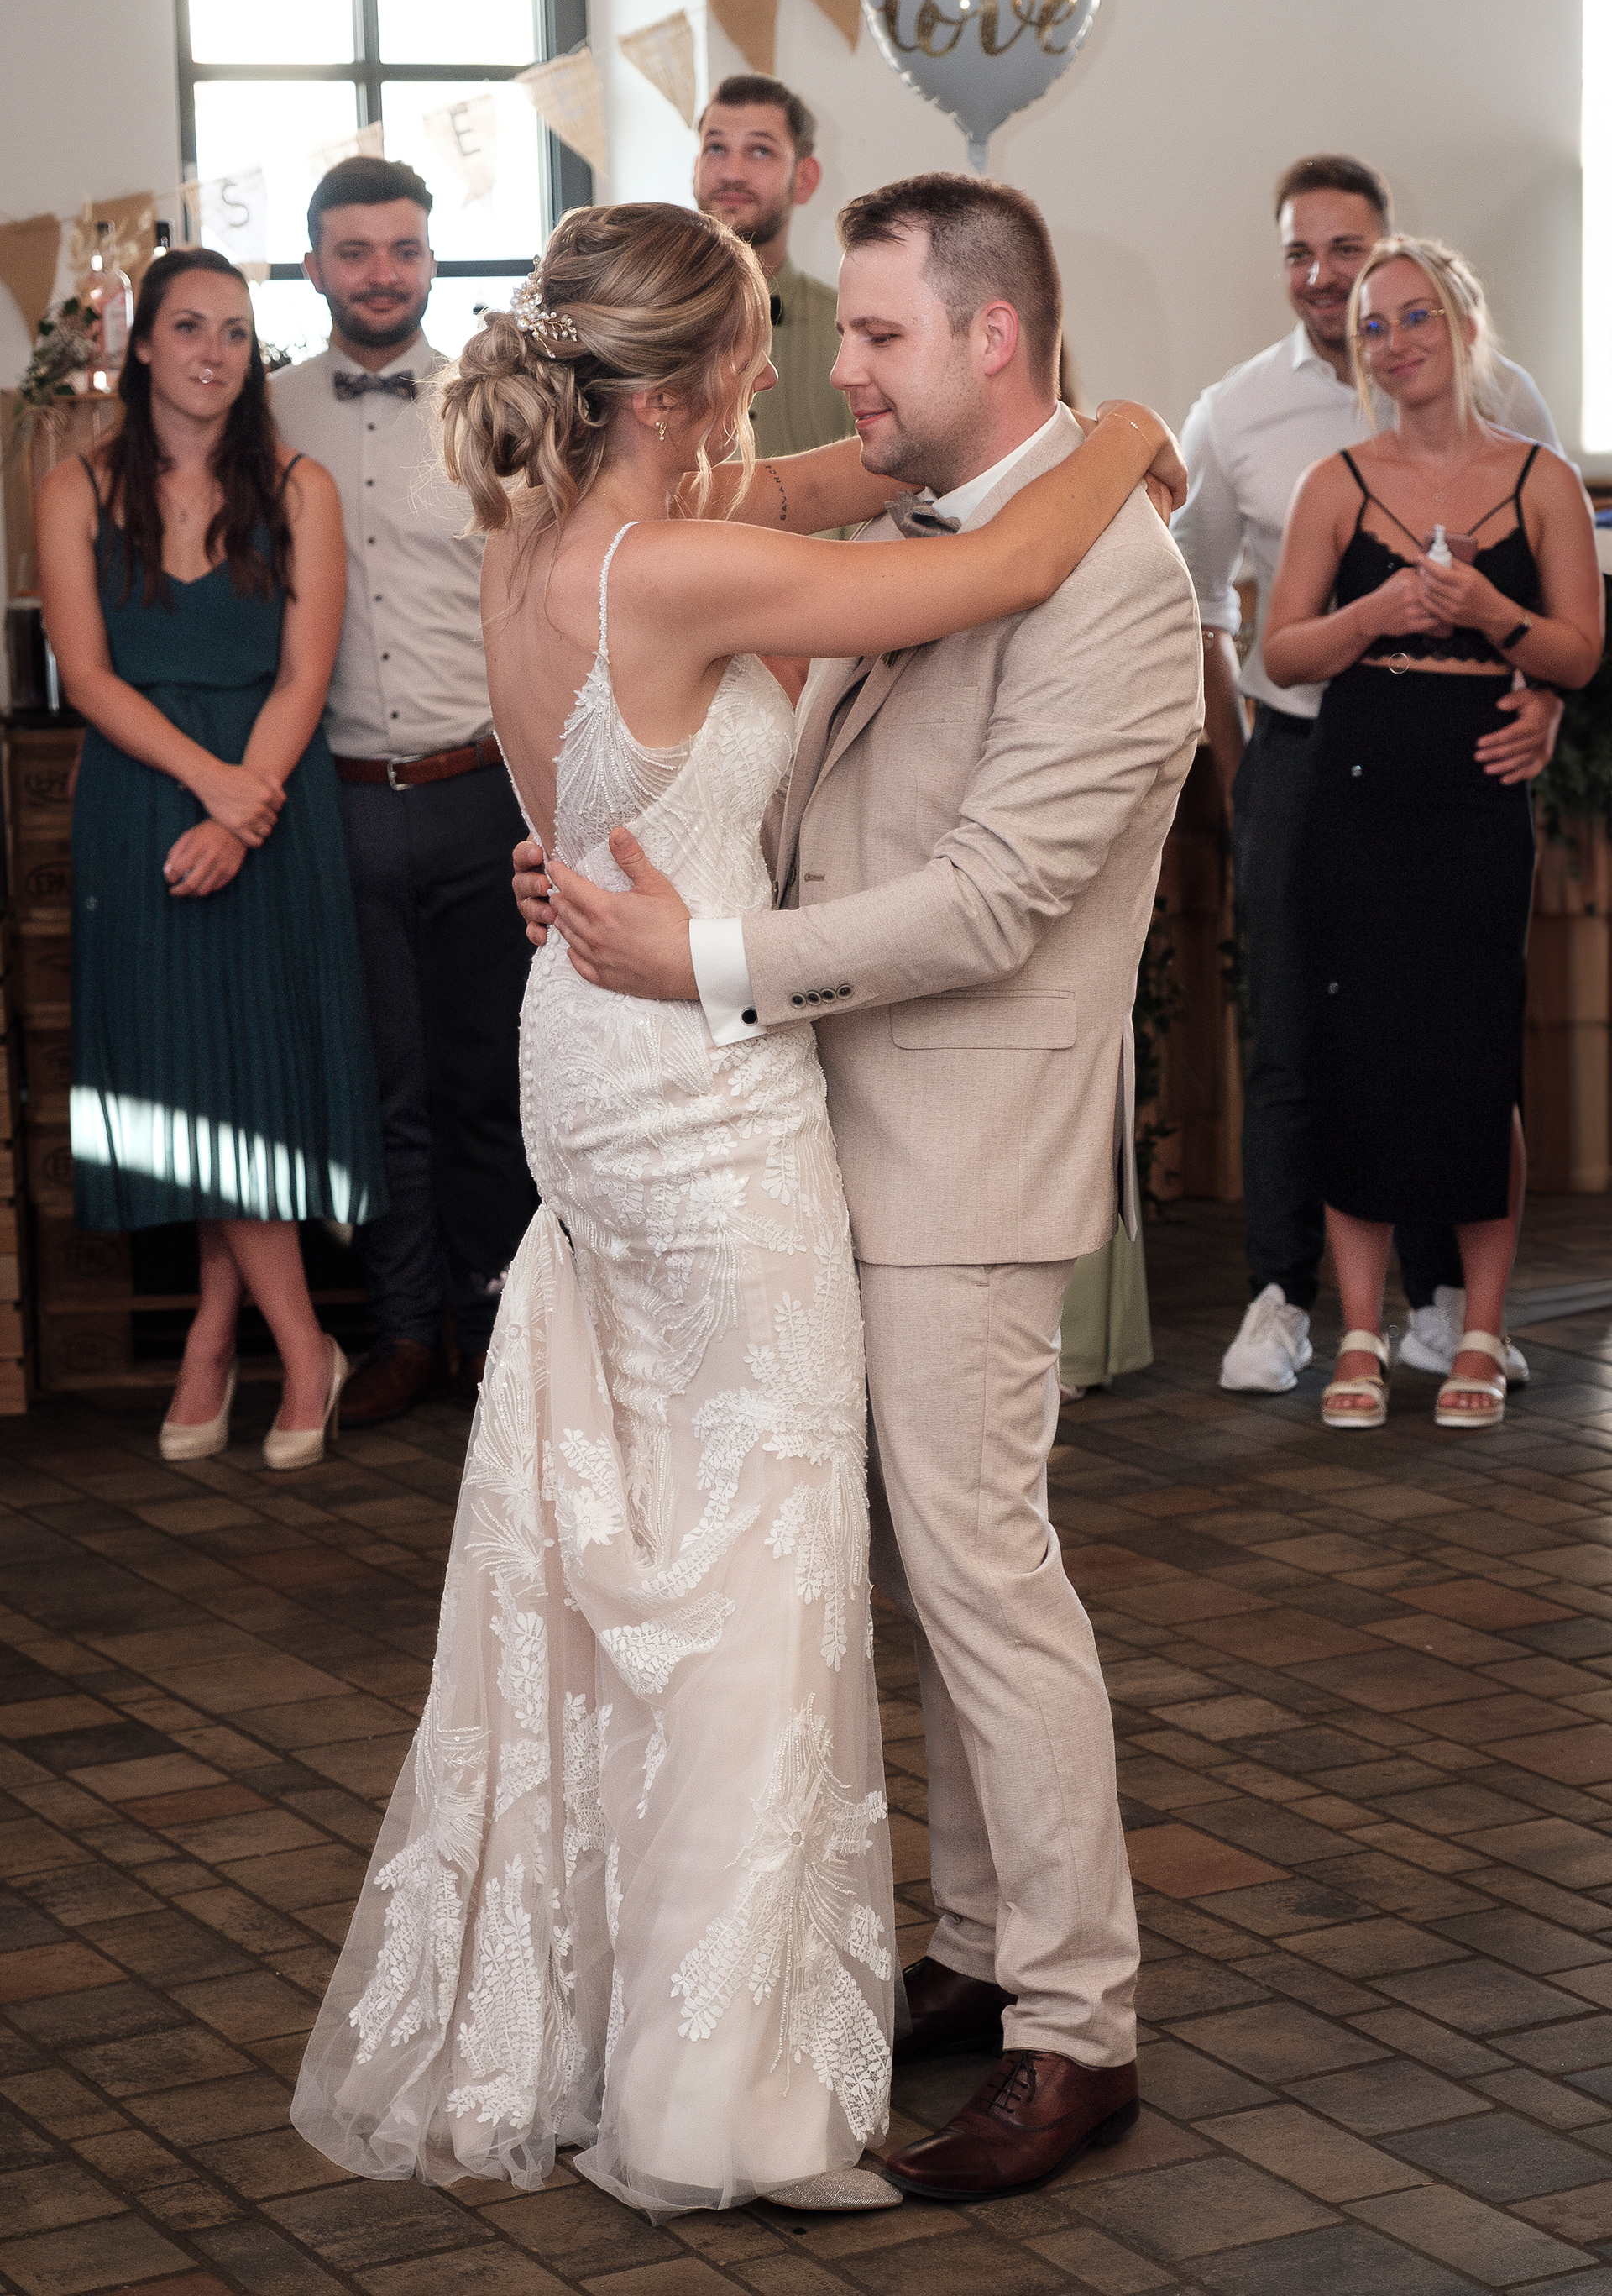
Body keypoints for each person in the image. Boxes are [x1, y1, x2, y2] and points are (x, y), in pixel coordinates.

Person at [290, 197, 1181, 2216]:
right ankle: (883, 1990)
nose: (823, 377)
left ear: (990, 336)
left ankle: (1066, 2015)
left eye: (871, 335)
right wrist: (1133, 427)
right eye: (793, 340)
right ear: (682, 385)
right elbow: (979, 551)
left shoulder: (572, 532)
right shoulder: (691, 551)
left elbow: (992, 889)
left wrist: (641, 892)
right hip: (710, 1090)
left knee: (914, 1570)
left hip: (749, 1082)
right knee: (766, 1574)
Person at [1173, 155, 1564, 1397]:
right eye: (1301, 253)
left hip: (1465, 757)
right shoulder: (1235, 411)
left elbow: (1561, 585)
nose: (1325, 276)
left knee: (1454, 1034)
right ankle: (1284, 1302)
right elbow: (1198, 600)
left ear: (1398, 255)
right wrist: (1239, 765)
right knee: (1299, 1036)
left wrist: (1547, 697)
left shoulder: (1510, 398)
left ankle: (1446, 1305)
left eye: (1347, 250)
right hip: (1303, 758)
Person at [36, 247, 384, 1470]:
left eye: (236, 332)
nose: (214, 354)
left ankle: (234, 1342)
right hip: (144, 799)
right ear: (142, 345)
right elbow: (87, 677)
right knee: (183, 1075)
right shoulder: (75, 487)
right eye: (189, 328)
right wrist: (209, 788)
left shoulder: (300, 488)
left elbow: (305, 674)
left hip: (273, 798)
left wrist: (243, 813)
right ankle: (278, 1342)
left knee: (251, 1080)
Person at [1262, 235, 1601, 1429]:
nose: (1396, 342)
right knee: (1356, 1053)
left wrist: (1495, 612)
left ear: (1463, 321)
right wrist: (1379, 611)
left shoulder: (1542, 481)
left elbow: (1579, 654)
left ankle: (1482, 1331)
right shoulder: (1335, 483)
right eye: (1374, 327)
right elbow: (1282, 650)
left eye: (1416, 316)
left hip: (1478, 788)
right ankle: (1360, 1332)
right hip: (1357, 787)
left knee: (1474, 1054)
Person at [273, 156, 536, 1425]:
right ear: (313, 265)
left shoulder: (496, 408)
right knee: (381, 1084)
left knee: (493, 1077)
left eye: (405, 250)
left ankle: (498, 1333)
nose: (383, 274)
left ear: (432, 260)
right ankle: (400, 1330)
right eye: (356, 251)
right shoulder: (267, 415)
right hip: (333, 801)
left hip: (480, 786)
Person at [694, 76, 854, 459]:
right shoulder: (640, 318)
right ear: (695, 168)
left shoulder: (858, 331)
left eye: (760, 151)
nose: (732, 172)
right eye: (715, 148)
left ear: (804, 179)